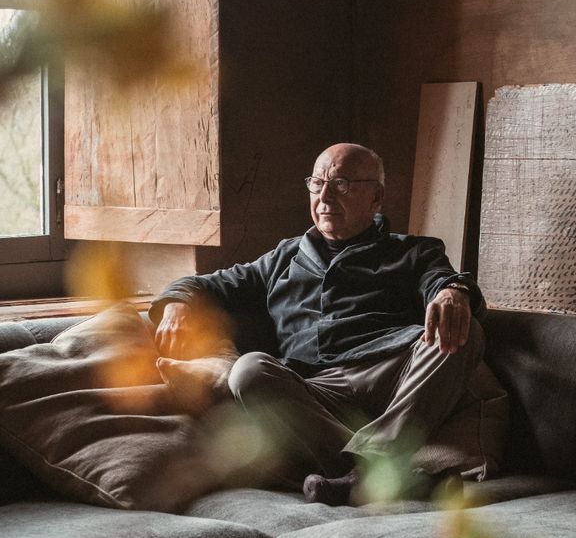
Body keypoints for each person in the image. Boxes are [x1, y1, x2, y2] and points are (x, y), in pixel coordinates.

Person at [150, 143, 487, 504]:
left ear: (376, 198)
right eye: (317, 182)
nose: (324, 196)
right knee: (247, 370)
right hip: (316, 392)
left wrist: (452, 291)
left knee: (465, 333)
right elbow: (205, 284)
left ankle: (367, 474)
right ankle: (383, 475)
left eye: (341, 184)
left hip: (392, 374)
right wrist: (175, 304)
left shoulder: (413, 251)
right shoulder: (283, 258)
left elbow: (444, 280)